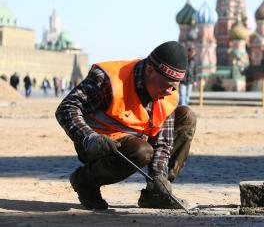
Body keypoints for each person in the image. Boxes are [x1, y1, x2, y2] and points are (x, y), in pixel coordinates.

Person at [56, 41, 196, 210]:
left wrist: (159, 175)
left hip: (138, 140)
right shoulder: (108, 80)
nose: (170, 91)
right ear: (150, 70)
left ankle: (156, 193)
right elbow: (67, 108)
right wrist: (89, 138)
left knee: (187, 117)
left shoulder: (168, 94)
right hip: (98, 146)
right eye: (167, 85)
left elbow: (163, 142)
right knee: (142, 151)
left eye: (174, 87)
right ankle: (85, 181)